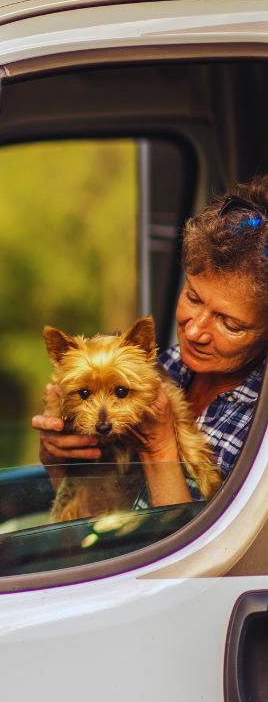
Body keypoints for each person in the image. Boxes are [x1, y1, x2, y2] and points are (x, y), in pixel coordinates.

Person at [33, 174, 268, 507]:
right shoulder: (166, 365)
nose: (194, 331)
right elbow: (87, 512)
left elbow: (202, 551)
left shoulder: (258, 424)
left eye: (230, 324)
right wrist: (59, 457)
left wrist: (159, 448)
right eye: (193, 297)